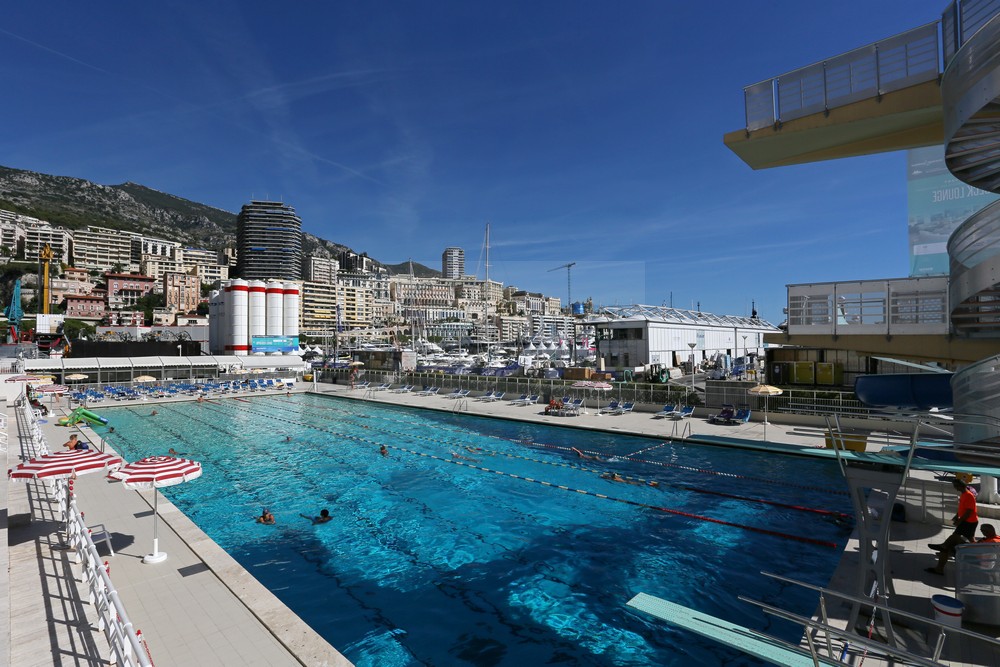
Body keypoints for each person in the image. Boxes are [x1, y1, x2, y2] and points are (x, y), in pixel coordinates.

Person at [926, 478, 980, 574]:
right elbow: (962, 508)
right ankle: (976, 554)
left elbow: (969, 511)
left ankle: (944, 547)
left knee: (955, 538)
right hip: (967, 522)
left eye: (955, 486)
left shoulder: (968, 495)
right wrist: (956, 516)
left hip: (969, 522)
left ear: (959, 486)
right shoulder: (964, 494)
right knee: (968, 539)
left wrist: (960, 521)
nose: (955, 488)